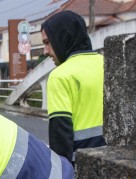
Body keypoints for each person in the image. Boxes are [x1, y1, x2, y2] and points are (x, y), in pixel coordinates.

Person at [41, 11, 106, 164]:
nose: (45, 51)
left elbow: (60, 136)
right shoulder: (108, 63)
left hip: (82, 165)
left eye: (47, 42)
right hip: (115, 161)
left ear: (62, 37)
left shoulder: (60, 76)